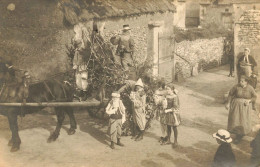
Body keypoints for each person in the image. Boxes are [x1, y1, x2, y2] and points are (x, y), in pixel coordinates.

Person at [225, 75, 257, 143]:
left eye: (242, 81)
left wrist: (249, 101)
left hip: (245, 108)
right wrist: (228, 103)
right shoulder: (236, 86)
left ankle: (239, 136)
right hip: (236, 106)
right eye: (240, 81)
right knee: (235, 120)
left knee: (242, 121)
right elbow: (230, 94)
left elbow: (254, 97)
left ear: (246, 82)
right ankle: (236, 133)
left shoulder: (250, 88)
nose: (240, 82)